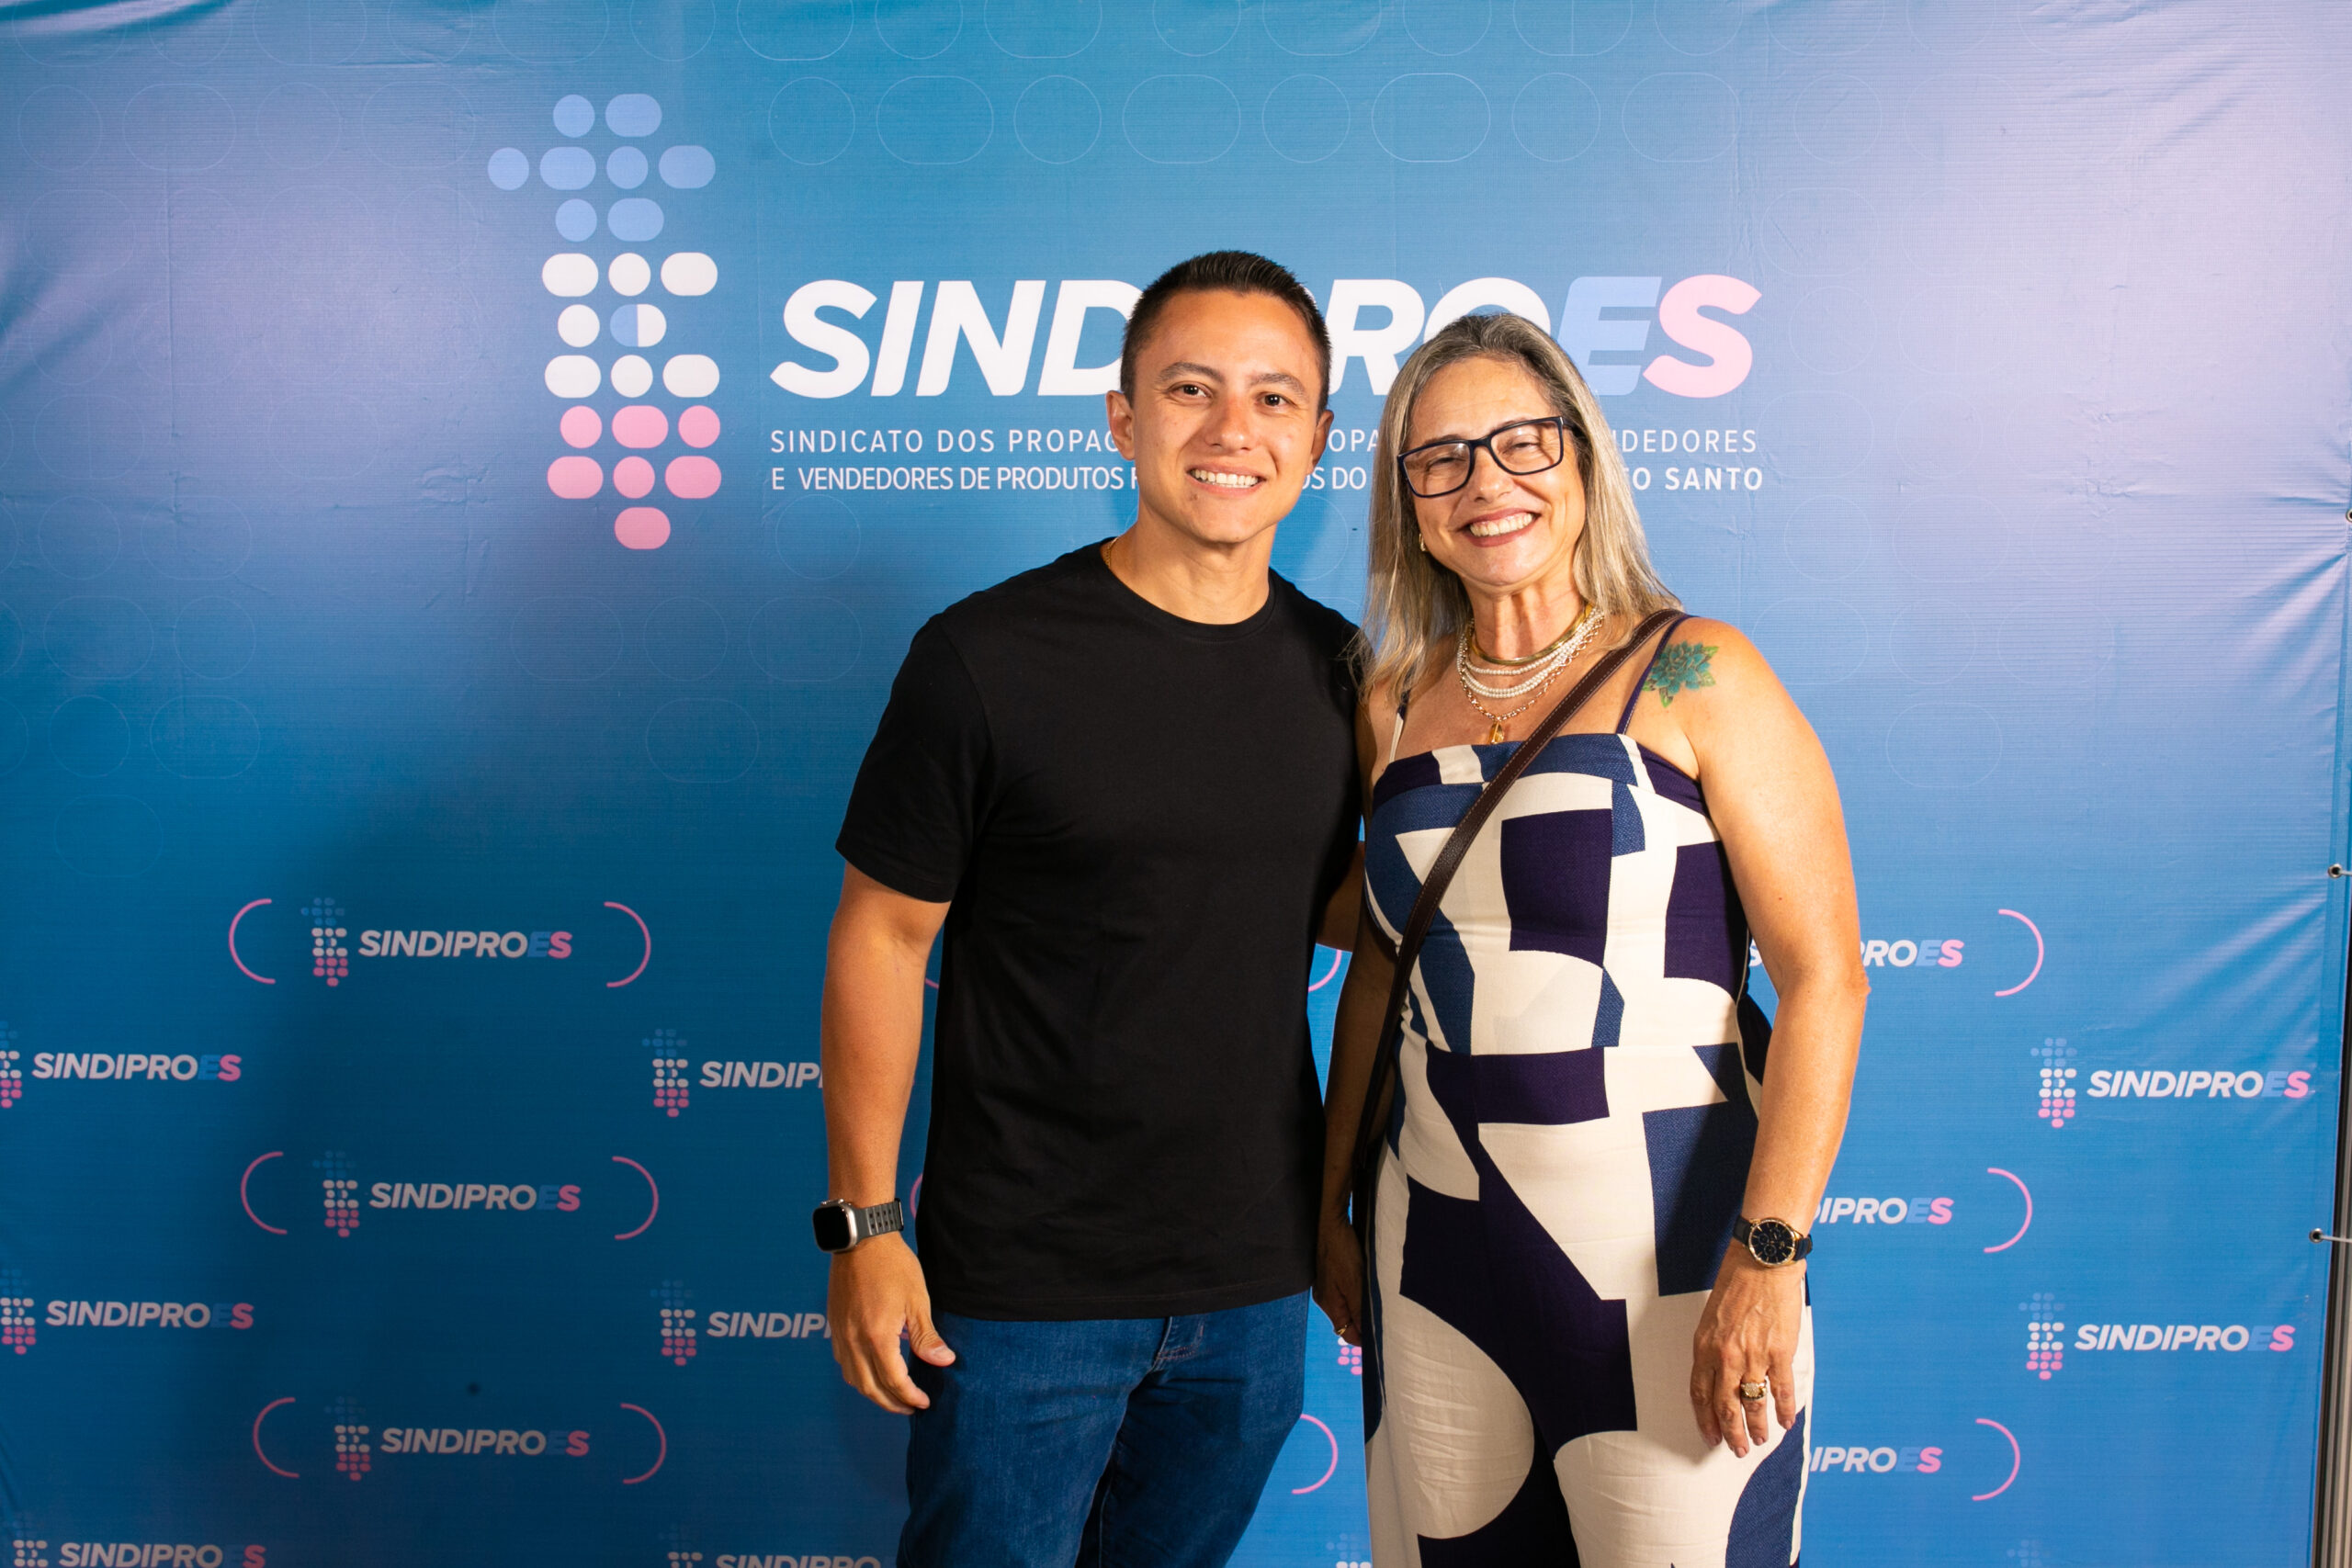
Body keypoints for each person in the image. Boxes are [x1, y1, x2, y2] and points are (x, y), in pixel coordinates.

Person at [817, 251, 1363, 1568]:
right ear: (1123, 418)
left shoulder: (1346, 674)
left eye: (1275, 398)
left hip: (1252, 1288)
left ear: (1318, 438)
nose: (1233, 431)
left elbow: (1343, 910)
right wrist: (866, 1225)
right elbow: (882, 939)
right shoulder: (985, 658)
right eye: (1190, 389)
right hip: (1021, 1294)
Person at [1313, 311, 1866, 1568]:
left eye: (1523, 442)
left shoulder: (1695, 673)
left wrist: (1769, 1256)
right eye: (1441, 458)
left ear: (1583, 457)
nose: (1486, 483)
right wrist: (1330, 1204)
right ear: (1407, 502)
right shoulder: (1390, 703)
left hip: (1670, 1262)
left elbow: (1826, 981)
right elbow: (1384, 969)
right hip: (1434, 1255)